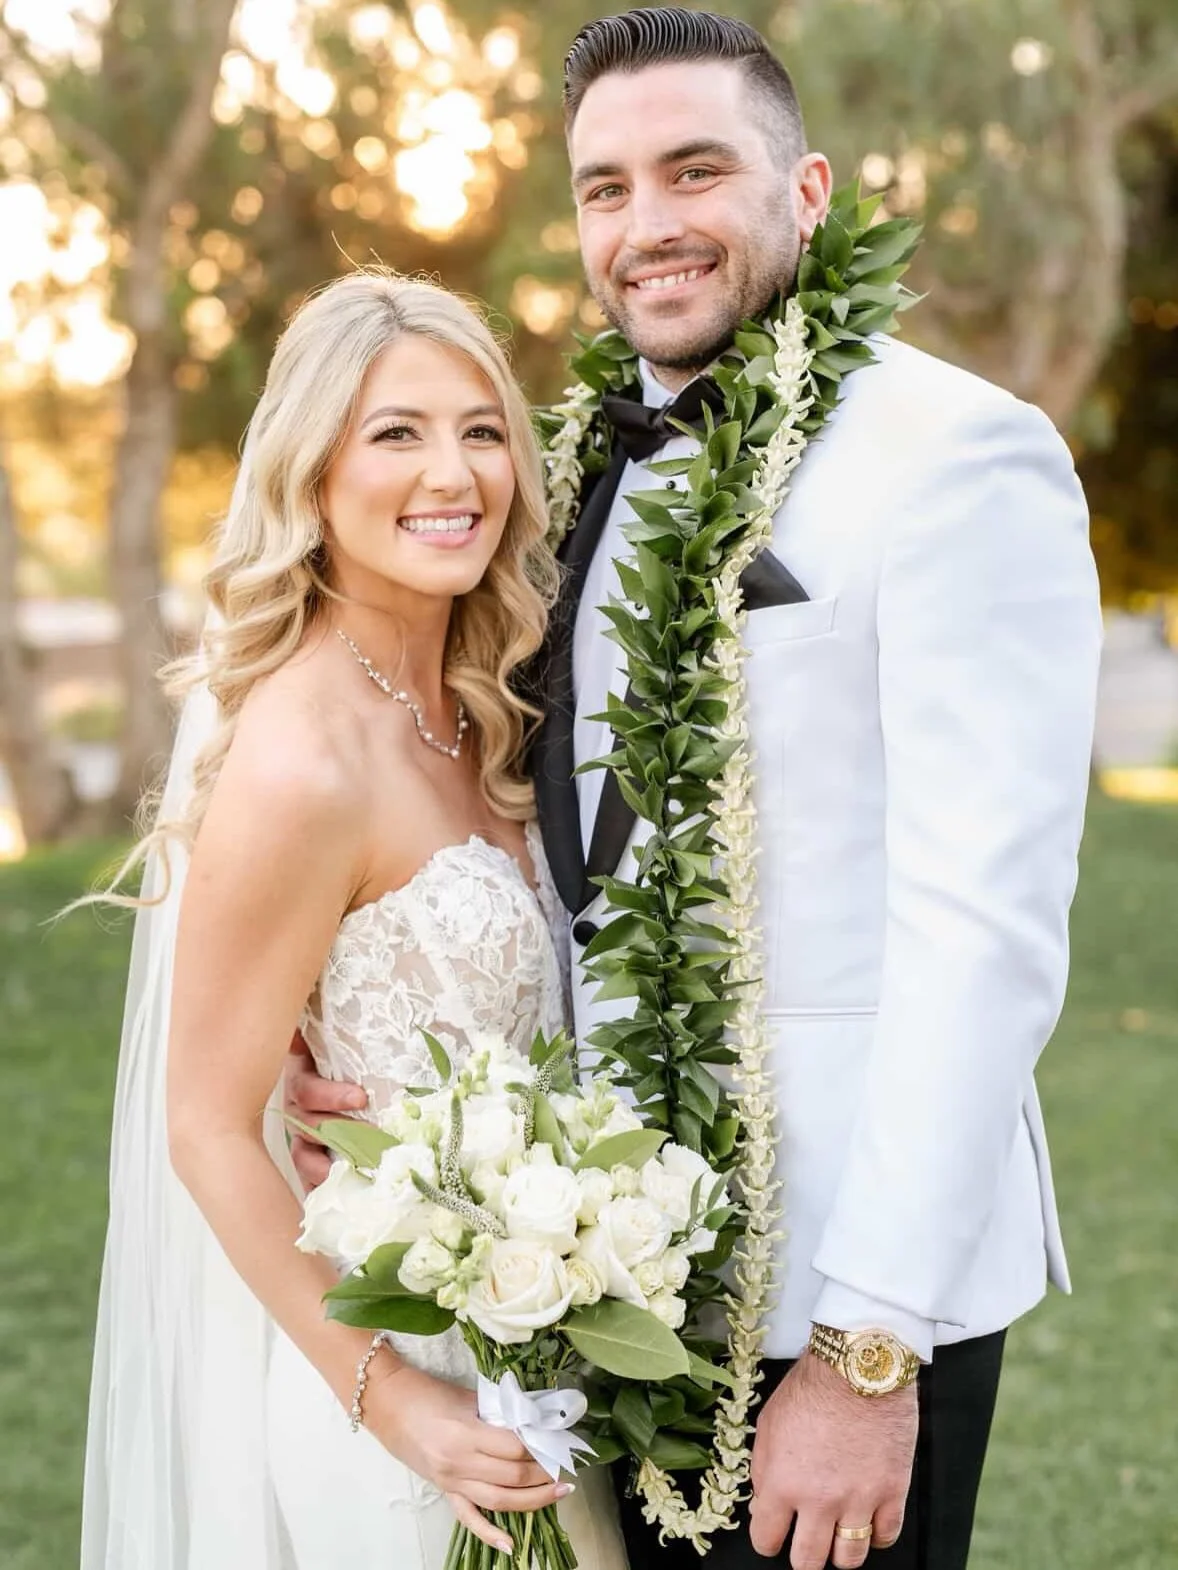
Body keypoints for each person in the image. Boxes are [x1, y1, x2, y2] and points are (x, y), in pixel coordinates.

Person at [288, 11, 1103, 1570]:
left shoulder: (959, 455)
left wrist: (868, 1346)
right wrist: (390, 1087)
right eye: (603, 188)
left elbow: (982, 929)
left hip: (833, 1279)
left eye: (692, 170)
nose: (643, 225)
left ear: (802, 192)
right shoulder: (579, 449)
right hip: (602, 1249)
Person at [80, 270, 629, 1570]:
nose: (454, 474)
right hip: (390, 1379)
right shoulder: (300, 761)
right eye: (397, 432)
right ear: (310, 469)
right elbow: (207, 1125)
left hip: (541, 1350)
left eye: (480, 429)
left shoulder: (498, 701)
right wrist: (399, 1403)